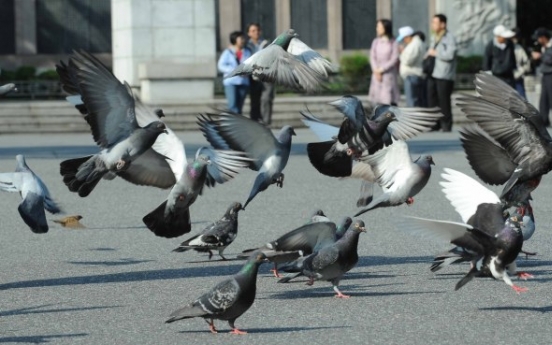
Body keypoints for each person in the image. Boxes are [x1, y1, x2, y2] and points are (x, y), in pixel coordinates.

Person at [426, 14, 457, 132]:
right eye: (432, 22)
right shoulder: (434, 37)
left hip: (445, 74)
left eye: (435, 22)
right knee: (432, 99)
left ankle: (446, 124)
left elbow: (450, 55)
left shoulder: (450, 38)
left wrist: (435, 53)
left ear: (443, 24)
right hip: (433, 72)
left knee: (444, 101)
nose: (433, 25)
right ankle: (434, 124)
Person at [246, 23, 275, 125]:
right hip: (252, 77)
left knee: (266, 98)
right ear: (249, 33)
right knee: (254, 99)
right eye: (253, 31)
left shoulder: (267, 44)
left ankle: (266, 122)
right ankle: (254, 122)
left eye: (257, 30)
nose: (256, 33)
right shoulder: (246, 46)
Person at [217, 31, 251, 115]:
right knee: (232, 105)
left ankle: (237, 125)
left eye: (243, 38)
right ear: (235, 40)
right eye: (241, 38)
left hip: (243, 82)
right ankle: (232, 125)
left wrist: (246, 71)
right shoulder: (228, 52)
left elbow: (251, 65)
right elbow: (221, 65)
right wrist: (232, 70)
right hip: (231, 82)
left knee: (239, 106)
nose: (243, 40)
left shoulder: (247, 52)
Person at [368, 19, 400, 105]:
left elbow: (394, 58)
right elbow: (372, 56)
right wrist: (375, 70)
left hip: (388, 74)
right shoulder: (376, 42)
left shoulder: (393, 42)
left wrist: (382, 69)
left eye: (379, 27)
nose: (377, 29)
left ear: (386, 28)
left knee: (389, 100)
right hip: (376, 75)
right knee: (377, 103)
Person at [397, 26, 426, 107]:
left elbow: (408, 61)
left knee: (412, 102)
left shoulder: (415, 44)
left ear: (408, 36)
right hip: (412, 76)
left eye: (404, 38)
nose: (404, 41)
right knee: (414, 100)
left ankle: (413, 119)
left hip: (412, 76)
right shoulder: (414, 44)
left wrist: (402, 52)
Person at [532, 27, 552, 126]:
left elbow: (550, 60)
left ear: (543, 37)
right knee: (544, 99)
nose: (537, 40)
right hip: (545, 74)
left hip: (551, 75)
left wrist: (540, 56)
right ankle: (544, 120)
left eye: (539, 38)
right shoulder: (543, 47)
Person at [512, 28, 531, 98]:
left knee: (522, 99)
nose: (515, 39)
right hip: (507, 77)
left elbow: (526, 62)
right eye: (513, 37)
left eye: (516, 37)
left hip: (518, 77)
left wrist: (522, 71)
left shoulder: (519, 48)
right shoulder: (505, 48)